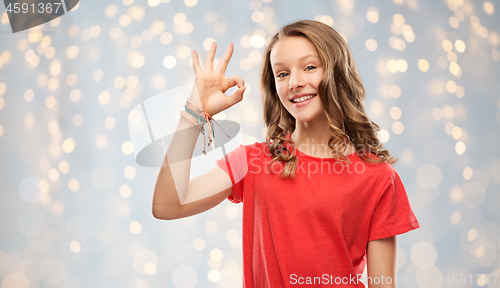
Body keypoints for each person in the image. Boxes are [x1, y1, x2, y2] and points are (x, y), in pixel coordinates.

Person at [152, 20, 420, 288]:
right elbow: (167, 205)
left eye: (310, 67)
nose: (295, 82)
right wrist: (195, 112)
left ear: (337, 73)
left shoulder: (378, 177)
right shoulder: (253, 162)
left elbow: (382, 284)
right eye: (282, 74)